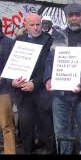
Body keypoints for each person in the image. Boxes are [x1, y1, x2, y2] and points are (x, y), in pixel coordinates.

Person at [44, 3, 81, 154]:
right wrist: (48, 79)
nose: (74, 18)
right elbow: (49, 61)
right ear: (66, 17)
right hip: (60, 95)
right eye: (70, 15)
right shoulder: (57, 36)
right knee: (62, 135)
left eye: (77, 15)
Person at [10, 13, 55, 154]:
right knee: (25, 126)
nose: (36, 28)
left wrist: (35, 83)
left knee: (46, 126)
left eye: (38, 24)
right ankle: (28, 150)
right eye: (32, 25)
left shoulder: (48, 40)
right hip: (23, 92)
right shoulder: (18, 40)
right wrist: (12, 80)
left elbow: (48, 66)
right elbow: (11, 64)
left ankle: (50, 150)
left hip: (41, 91)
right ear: (25, 25)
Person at [0, 19, 16, 154]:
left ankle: (10, 152)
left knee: (6, 125)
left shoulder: (9, 43)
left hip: (4, 90)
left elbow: (12, 66)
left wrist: (3, 76)